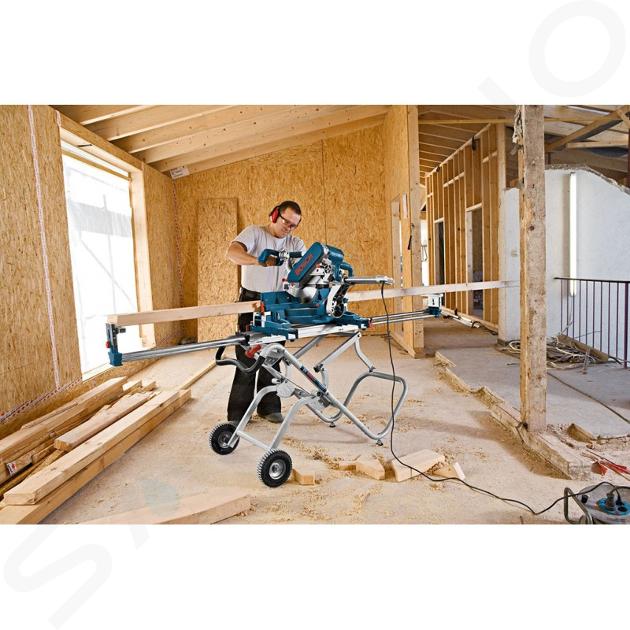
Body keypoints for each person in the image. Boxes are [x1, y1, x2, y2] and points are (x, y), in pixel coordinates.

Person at [225, 200, 306, 425]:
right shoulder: (255, 233)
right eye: (285, 222)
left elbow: (305, 268)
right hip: (252, 301)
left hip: (278, 302)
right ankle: (238, 414)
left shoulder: (295, 243)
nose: (288, 228)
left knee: (274, 355)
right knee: (247, 357)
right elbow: (232, 252)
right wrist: (259, 261)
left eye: (293, 225)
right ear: (274, 215)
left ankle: (269, 407)